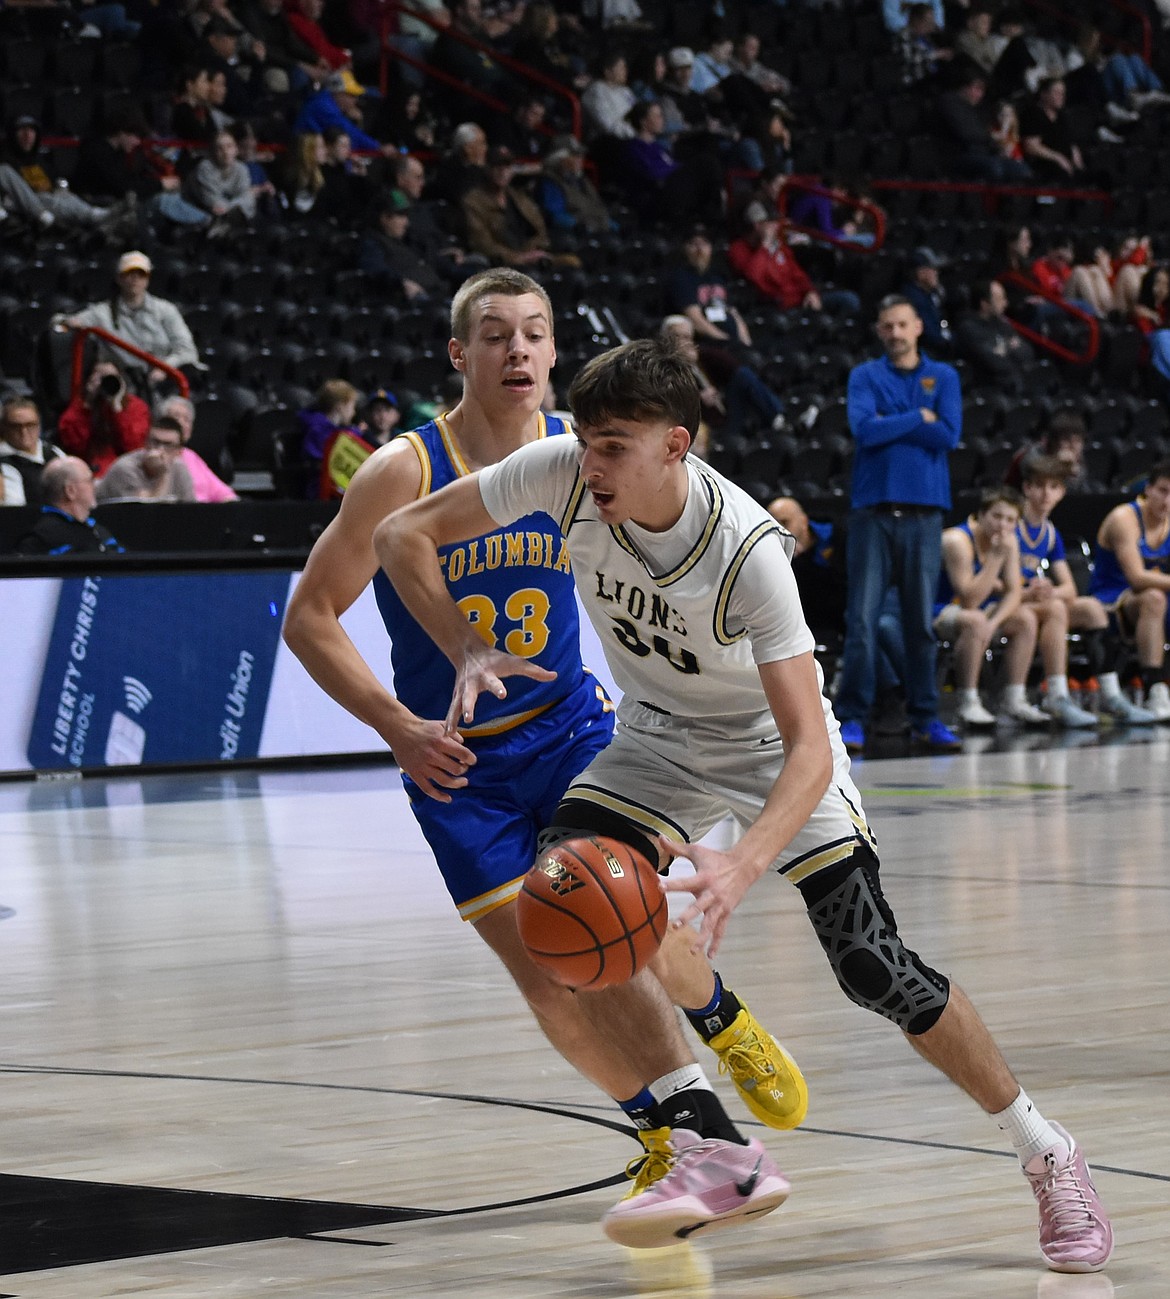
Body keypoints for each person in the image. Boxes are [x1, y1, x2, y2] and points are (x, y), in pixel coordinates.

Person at [373, 335, 1113, 1270]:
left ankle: (1046, 1150)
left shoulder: (746, 548)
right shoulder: (558, 471)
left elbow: (809, 743)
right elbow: (402, 533)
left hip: (773, 749)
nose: (590, 463)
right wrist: (463, 646)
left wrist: (741, 865)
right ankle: (712, 1142)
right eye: (587, 441)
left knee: (872, 964)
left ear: (676, 446)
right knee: (562, 896)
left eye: (615, 447)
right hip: (656, 739)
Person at [283, 270, 807, 1244]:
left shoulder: (586, 452)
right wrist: (398, 724)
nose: (517, 351)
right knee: (551, 970)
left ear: (556, 352)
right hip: (456, 770)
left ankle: (722, 1037)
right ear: (459, 355)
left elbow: (688, 530)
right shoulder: (405, 471)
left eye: (534, 333)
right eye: (494, 335)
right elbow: (310, 617)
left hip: (571, 733)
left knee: (628, 924)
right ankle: (666, 1128)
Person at [834, 296, 963, 752]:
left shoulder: (943, 376)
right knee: (863, 621)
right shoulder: (864, 375)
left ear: (918, 328)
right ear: (879, 330)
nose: (895, 333)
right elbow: (864, 431)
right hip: (873, 513)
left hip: (925, 516)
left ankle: (926, 716)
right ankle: (852, 716)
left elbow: (948, 434)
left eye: (902, 325)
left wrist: (892, 420)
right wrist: (917, 417)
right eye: (887, 325)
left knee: (919, 625)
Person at [1016, 454, 1154, 725]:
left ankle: (1112, 696)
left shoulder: (1049, 532)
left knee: (1090, 608)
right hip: (1005, 602)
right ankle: (1056, 695)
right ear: (1026, 488)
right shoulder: (1010, 523)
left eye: (1053, 487)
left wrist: (1048, 590)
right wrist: (1029, 593)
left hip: (1032, 600)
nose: (1046, 494)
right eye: (1039, 486)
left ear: (1062, 492)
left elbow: (1068, 589)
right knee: (1055, 608)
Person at [934, 486, 1060, 727]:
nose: (1003, 526)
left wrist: (994, 623)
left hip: (980, 612)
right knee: (975, 621)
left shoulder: (1008, 541)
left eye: (1010, 520)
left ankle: (1013, 697)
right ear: (980, 515)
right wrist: (994, 558)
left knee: (1024, 618)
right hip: (941, 608)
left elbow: (1014, 592)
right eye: (997, 517)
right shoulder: (957, 540)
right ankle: (968, 701)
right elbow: (969, 599)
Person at [1088, 460, 1170, 721]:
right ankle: (1154, 687)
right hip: (1111, 597)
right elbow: (1135, 577)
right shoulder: (1124, 517)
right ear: (1148, 489)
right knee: (1153, 598)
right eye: (1163, 491)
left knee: (1156, 597)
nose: (1167, 501)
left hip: (1156, 594)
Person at [64, 251, 202, 393]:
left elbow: (187, 351)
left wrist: (164, 368)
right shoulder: (102, 313)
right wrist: (70, 323)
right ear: (119, 278)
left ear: (148, 279)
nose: (135, 278)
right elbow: (62, 321)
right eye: (130, 273)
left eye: (141, 274)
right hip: (126, 387)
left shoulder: (166, 310)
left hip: (164, 384)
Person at [728, 201, 860, 317]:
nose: (777, 226)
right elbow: (754, 277)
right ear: (758, 225)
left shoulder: (778, 245)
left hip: (802, 300)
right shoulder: (738, 249)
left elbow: (797, 273)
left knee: (849, 299)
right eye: (771, 223)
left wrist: (810, 292)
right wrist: (765, 245)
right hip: (780, 308)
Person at [56, 359, 151, 478]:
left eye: (111, 377)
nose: (106, 382)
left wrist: (117, 409)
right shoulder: (80, 408)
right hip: (93, 472)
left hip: (130, 471)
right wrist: (88, 404)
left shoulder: (136, 406)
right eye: (100, 377)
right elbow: (75, 447)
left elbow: (133, 447)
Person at [16, 457, 124, 555]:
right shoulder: (41, 539)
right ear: (70, 491)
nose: (95, 485)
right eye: (89, 480)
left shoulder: (98, 530)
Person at [954, 277, 1035, 396]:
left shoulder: (1001, 323)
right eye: (1000, 299)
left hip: (1013, 382)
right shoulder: (968, 328)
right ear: (985, 304)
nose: (1006, 303)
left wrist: (1003, 349)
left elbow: (1028, 353)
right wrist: (1011, 347)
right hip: (988, 388)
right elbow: (995, 364)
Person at [95, 416, 197, 503]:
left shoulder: (180, 470)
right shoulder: (125, 468)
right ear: (146, 444)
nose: (160, 450)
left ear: (178, 452)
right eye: (155, 442)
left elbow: (190, 513)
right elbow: (145, 516)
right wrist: (163, 474)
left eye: (168, 445)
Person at [158, 395, 238, 503]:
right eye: (176, 417)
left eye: (187, 420)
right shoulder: (155, 456)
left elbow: (223, 492)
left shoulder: (190, 455)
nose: (182, 424)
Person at [0, 397, 65, 507]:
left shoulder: (53, 452)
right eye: (16, 426)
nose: (23, 432)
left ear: (39, 426)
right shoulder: (3, 464)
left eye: (30, 425)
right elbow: (14, 511)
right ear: (4, 428)